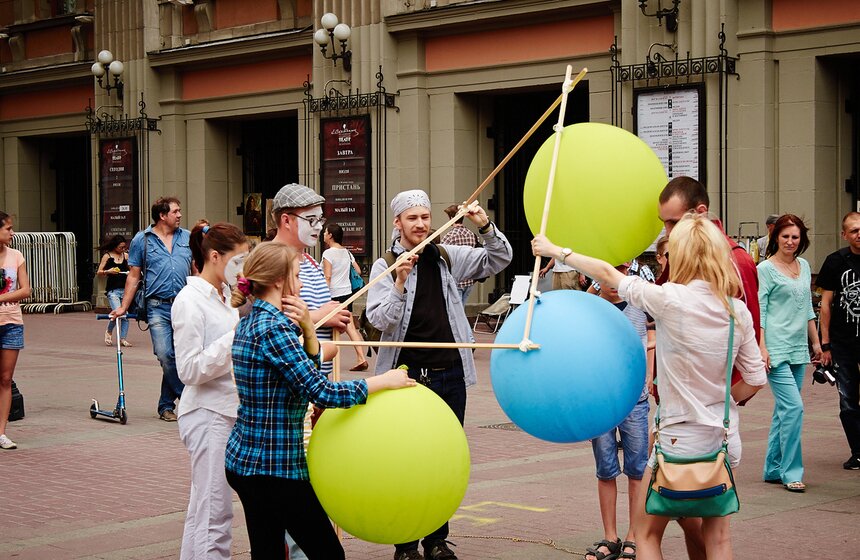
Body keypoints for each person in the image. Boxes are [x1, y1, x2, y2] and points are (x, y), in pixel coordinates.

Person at [532, 212, 767, 560]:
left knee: (646, 533)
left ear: (681, 255)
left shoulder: (670, 299)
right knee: (718, 538)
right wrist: (722, 402)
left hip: (676, 444)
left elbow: (609, 275)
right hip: (721, 442)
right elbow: (756, 379)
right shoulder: (736, 311)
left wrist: (557, 250)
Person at [225, 242, 415, 559]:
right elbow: (321, 392)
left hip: (247, 463)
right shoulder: (274, 329)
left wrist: (309, 333)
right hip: (274, 467)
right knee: (327, 553)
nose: (300, 284)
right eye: (296, 276)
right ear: (278, 281)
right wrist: (382, 381)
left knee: (268, 550)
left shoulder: (253, 322)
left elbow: (297, 380)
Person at [366, 190, 512, 560]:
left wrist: (484, 224)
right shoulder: (385, 263)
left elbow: (500, 257)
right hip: (405, 377)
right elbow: (378, 320)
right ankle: (405, 544)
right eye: (412, 218)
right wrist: (398, 282)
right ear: (397, 222)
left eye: (425, 218)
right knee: (406, 462)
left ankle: (435, 540)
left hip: (449, 375)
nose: (420, 225)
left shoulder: (446, 257)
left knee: (442, 460)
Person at [656, 176, 761, 558]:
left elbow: (748, 340)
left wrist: (720, 400)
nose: (666, 232)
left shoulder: (735, 260)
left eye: (672, 222)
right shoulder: (683, 254)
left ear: (699, 213)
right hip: (685, 412)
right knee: (699, 521)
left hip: (699, 422)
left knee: (670, 519)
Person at [171, 222, 249, 560]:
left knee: (206, 507)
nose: (242, 269)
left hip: (227, 410)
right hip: (207, 413)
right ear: (214, 257)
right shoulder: (189, 300)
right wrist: (236, 339)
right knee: (214, 511)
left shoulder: (227, 298)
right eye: (237, 261)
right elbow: (188, 370)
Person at [585, 264, 653, 560]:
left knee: (637, 470)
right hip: (600, 398)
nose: (614, 278)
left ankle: (633, 535)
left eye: (622, 270)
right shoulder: (590, 307)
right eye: (608, 271)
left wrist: (650, 375)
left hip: (635, 399)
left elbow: (650, 340)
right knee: (605, 468)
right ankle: (610, 535)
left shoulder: (639, 304)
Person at [111, 197, 192, 422]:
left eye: (180, 211)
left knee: (180, 356)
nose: (180, 215)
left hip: (185, 305)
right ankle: (188, 397)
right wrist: (123, 307)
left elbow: (196, 270)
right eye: (176, 211)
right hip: (157, 306)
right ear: (162, 216)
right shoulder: (142, 240)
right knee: (165, 354)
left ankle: (166, 406)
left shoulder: (187, 237)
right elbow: (134, 276)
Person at [758, 214, 821, 492]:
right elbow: (759, 311)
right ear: (775, 238)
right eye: (785, 236)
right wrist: (762, 348)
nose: (790, 241)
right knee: (794, 408)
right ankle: (791, 472)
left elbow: (807, 307)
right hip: (775, 348)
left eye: (795, 237)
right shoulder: (765, 269)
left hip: (798, 348)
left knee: (784, 410)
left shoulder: (804, 266)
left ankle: (772, 467)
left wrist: (817, 343)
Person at [269, 183, 352, 379]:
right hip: (290, 380)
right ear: (286, 220)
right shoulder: (269, 261)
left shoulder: (312, 262)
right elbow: (263, 321)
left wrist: (334, 320)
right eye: (311, 220)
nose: (319, 227)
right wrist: (321, 316)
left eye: (320, 220)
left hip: (316, 377)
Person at [817, 211, 860, 471]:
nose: (859, 234)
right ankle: (857, 451)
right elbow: (826, 305)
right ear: (844, 234)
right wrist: (825, 345)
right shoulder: (835, 262)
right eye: (854, 230)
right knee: (847, 399)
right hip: (843, 344)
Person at [0, 212, 30, 450]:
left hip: (11, 323)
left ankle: (2, 433)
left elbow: (25, 290)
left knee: (6, 379)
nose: (12, 233)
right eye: (8, 229)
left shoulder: (16, 255)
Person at [321, 223, 368, 371]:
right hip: (347, 292)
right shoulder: (347, 252)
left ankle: (329, 362)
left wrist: (323, 295)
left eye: (325, 232)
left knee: (330, 326)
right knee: (349, 325)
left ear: (330, 236)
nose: (323, 234)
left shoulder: (328, 253)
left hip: (333, 293)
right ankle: (361, 357)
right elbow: (358, 271)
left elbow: (327, 276)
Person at [441, 204, 482, 304]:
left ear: (451, 218)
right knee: (461, 310)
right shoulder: (472, 235)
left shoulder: (449, 236)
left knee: (455, 312)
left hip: (456, 279)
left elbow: (441, 255)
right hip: (470, 278)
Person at [96, 235, 131, 347]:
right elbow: (99, 272)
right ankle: (109, 331)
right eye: (121, 247)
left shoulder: (126, 256)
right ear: (115, 246)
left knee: (125, 315)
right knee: (117, 312)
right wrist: (108, 271)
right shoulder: (108, 256)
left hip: (125, 290)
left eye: (124, 247)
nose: (123, 249)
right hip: (113, 290)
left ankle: (123, 338)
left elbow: (133, 271)